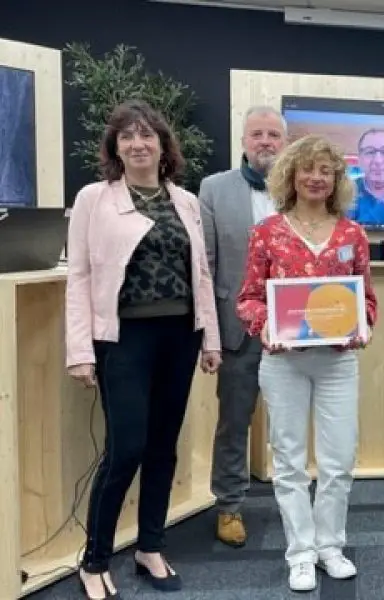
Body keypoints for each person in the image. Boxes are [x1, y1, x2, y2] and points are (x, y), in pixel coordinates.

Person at [65, 99, 222, 599]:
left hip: (180, 336)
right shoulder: (95, 198)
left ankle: (150, 546)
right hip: (123, 339)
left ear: (162, 145)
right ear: (115, 147)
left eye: (146, 135)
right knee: (125, 449)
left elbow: (201, 274)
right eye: (126, 137)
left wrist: (211, 340)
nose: (137, 144)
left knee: (162, 448)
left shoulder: (187, 201)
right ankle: (93, 560)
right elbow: (80, 277)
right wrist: (79, 351)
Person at [235, 134, 378, 592]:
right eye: (308, 169)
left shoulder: (352, 234)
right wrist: (267, 326)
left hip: (338, 363)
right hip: (284, 364)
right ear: (291, 175)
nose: (316, 178)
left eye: (326, 171)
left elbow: (367, 300)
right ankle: (300, 552)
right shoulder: (267, 232)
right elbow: (249, 300)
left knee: (338, 461)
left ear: (337, 180)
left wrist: (363, 324)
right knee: (290, 460)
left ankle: (330, 546)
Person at [200, 105, 287, 547]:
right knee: (234, 423)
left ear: (284, 142)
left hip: (294, 331)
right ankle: (229, 505)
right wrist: (209, 335)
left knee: (290, 423)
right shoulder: (214, 189)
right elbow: (207, 266)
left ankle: (296, 505)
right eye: (257, 134)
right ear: (243, 142)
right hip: (239, 329)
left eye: (273, 134)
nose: (266, 142)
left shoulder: (301, 190)